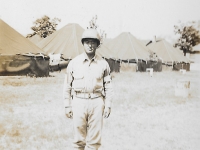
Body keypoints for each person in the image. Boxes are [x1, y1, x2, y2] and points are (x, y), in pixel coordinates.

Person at [63, 28, 113, 150]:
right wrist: (67, 105)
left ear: (97, 44)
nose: (90, 45)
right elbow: (67, 86)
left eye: (93, 42)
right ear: (83, 43)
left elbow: (108, 87)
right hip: (79, 102)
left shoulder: (103, 64)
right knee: (78, 141)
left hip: (96, 102)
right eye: (87, 42)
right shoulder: (74, 63)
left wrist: (108, 105)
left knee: (94, 142)